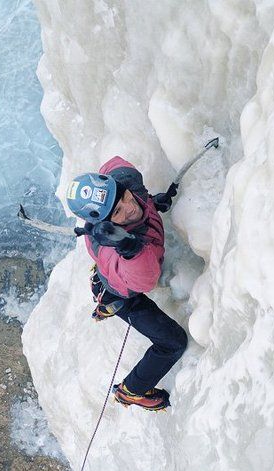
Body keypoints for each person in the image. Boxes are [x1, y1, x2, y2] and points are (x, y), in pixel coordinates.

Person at [66, 156, 188, 411]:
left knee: (127, 199)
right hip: (124, 292)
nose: (129, 208)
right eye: (117, 213)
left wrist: (152, 203)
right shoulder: (112, 250)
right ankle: (131, 391)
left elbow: (116, 172)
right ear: (107, 225)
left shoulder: (128, 185)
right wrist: (129, 248)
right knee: (172, 343)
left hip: (111, 278)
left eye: (123, 197)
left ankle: (104, 302)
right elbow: (144, 281)